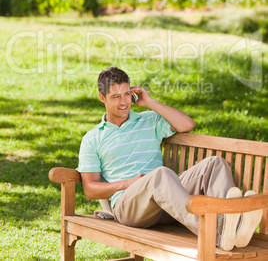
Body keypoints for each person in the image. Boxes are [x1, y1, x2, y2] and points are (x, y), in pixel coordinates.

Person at [77, 67, 262, 252]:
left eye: (126, 94)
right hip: (129, 206)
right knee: (161, 175)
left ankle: (232, 226)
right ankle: (215, 232)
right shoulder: (93, 139)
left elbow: (187, 124)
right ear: (102, 98)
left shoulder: (149, 120)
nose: (124, 102)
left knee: (214, 164)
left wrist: (149, 102)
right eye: (115, 96)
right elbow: (91, 189)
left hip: (166, 200)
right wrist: (127, 183)